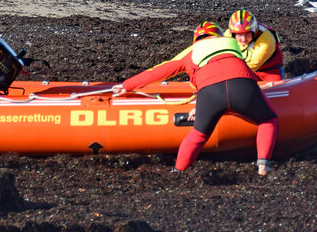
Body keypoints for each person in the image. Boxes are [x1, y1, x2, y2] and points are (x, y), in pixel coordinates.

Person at [114, 22, 278, 174]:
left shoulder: (191, 54)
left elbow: (158, 72)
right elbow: (228, 70)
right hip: (242, 86)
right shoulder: (232, 45)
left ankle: (179, 171)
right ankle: (263, 165)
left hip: (210, 93)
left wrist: (127, 85)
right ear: (220, 36)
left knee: (198, 135)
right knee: (268, 120)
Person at [226, 9, 284, 81]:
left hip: (270, 70)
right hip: (245, 69)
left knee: (275, 90)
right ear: (233, 33)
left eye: (247, 34)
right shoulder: (227, 36)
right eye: (239, 35)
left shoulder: (266, 39)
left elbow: (253, 64)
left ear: (254, 31)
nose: (243, 39)